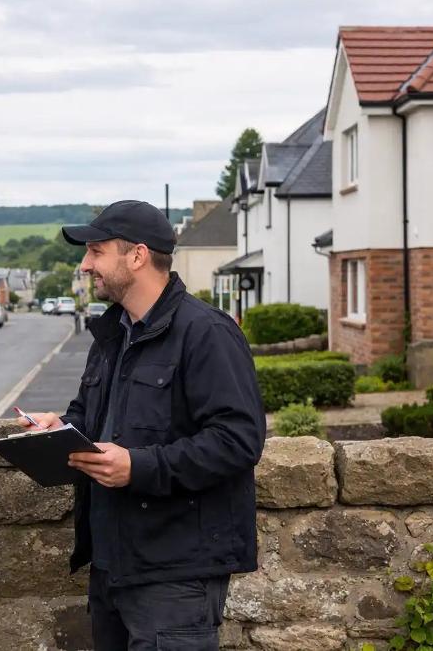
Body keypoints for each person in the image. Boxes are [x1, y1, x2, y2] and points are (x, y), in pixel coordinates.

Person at [18, 200, 264, 650]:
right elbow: (90, 418)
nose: (85, 264)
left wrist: (139, 467)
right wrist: (58, 428)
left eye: (95, 251)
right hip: (113, 566)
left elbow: (238, 439)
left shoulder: (206, 332)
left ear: (137, 256)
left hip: (176, 575)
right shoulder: (112, 333)